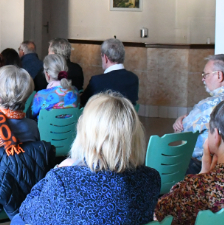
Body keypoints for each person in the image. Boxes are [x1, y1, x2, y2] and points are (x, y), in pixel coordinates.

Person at [15, 92, 161, 225]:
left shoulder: (63, 180)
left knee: (17, 221)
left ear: (86, 134)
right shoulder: (151, 178)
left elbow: (26, 211)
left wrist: (56, 170)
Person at [155, 99, 224, 225]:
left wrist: (200, 177)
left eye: (209, 130)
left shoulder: (197, 187)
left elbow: (157, 215)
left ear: (217, 136)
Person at [171, 54, 224, 174]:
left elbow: (182, 133)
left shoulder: (209, 105)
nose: (203, 79)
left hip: (203, 166)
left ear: (219, 75)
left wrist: (180, 120)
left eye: (205, 75)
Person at [80, 38, 139, 107]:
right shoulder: (134, 78)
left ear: (105, 57)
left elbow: (83, 102)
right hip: (126, 117)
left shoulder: (97, 81)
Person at [30, 54, 79, 119]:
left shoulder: (40, 95)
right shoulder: (75, 91)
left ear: (47, 74)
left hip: (44, 129)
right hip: (71, 129)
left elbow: (31, 115)